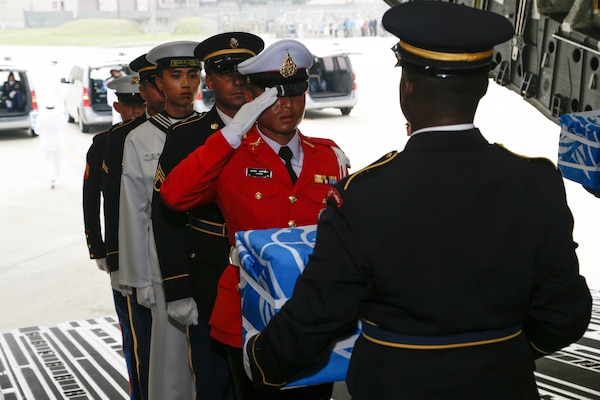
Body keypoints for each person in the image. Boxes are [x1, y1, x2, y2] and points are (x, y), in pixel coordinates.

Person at [243, 3, 593, 399]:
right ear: (481, 86)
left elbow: (318, 316)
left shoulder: (365, 195)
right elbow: (567, 312)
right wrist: (503, 350)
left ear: (406, 86)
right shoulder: (536, 183)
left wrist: (261, 359)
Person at [160, 39, 351, 400]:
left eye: (295, 94)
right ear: (253, 98)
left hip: (314, 313)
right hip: (249, 313)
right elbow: (174, 196)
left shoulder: (328, 157)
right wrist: (232, 134)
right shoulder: (229, 155)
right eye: (274, 96)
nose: (288, 106)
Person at [152, 32, 264, 400]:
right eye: (224, 71)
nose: (237, 80)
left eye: (244, 72)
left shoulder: (273, 127)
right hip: (210, 275)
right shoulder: (187, 136)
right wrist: (178, 287)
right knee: (215, 380)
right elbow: (165, 216)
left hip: (265, 272)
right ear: (209, 80)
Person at [118, 41, 201, 400]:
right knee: (171, 365)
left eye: (193, 74)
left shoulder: (214, 132)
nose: (185, 84)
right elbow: (134, 212)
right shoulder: (140, 139)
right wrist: (139, 279)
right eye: (175, 75)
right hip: (162, 265)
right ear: (159, 83)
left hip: (208, 261)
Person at [102, 56, 165, 400]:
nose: (137, 109)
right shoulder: (115, 140)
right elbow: (111, 203)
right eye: (132, 103)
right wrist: (109, 253)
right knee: (139, 338)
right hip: (132, 257)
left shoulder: (188, 133)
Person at [82, 74, 147, 400]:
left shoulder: (161, 138)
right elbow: (91, 199)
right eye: (130, 105)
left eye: (141, 103)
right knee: (133, 334)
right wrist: (99, 249)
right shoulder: (103, 144)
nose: (136, 111)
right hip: (121, 249)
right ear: (117, 105)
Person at [35, 100, 66, 188]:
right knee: (58, 161)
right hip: (58, 142)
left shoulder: (40, 117)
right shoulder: (61, 117)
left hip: (46, 142)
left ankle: (51, 177)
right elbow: (64, 127)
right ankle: (58, 178)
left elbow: (37, 131)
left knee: (47, 161)